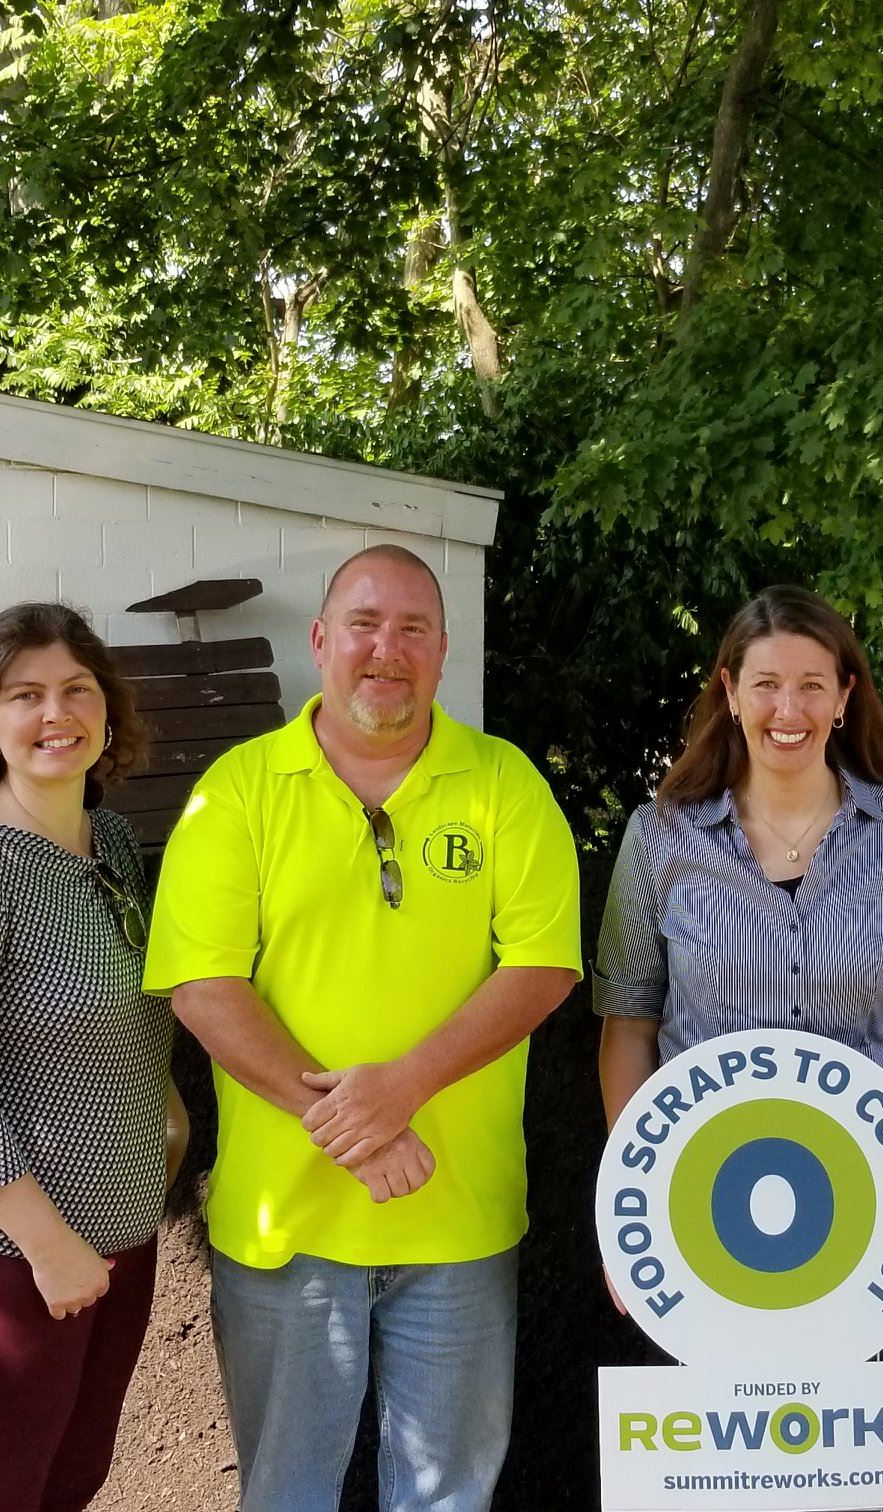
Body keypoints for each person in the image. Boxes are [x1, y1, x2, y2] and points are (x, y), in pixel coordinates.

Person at [143, 544, 582, 1512]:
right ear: (320, 641)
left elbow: (544, 965)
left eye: (413, 628)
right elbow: (203, 986)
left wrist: (404, 1086)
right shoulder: (239, 792)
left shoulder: (505, 786)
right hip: (286, 1225)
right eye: (365, 625)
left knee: (446, 1497)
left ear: (442, 650)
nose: (388, 649)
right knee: (288, 1493)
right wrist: (352, 1125)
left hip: (459, 1218)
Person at [0, 602, 187, 1512]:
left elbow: (131, 1010)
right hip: (0, 1253)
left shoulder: (117, 844)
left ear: (107, 710)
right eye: (26, 695)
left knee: (67, 1484)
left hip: (115, 1237)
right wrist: (50, 1248)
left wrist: (164, 1116)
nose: (57, 713)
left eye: (77, 689)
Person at [595, 584, 883, 1148]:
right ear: (730, 692)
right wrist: (640, 1179)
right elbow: (628, 1024)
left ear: (845, 697)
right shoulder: (659, 837)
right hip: (699, 1176)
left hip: (863, 1180)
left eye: (812, 686)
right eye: (767, 685)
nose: (789, 711)